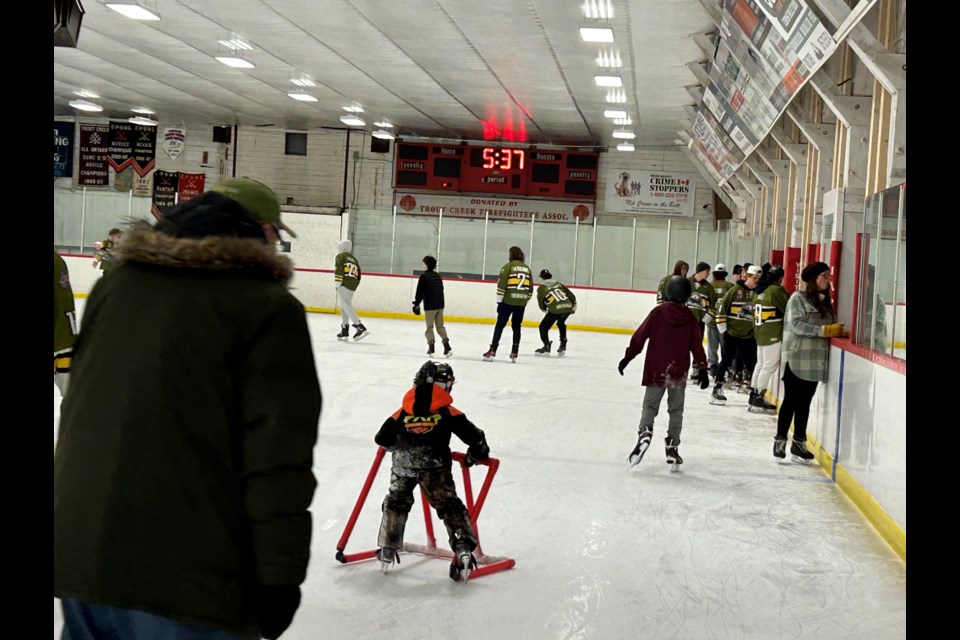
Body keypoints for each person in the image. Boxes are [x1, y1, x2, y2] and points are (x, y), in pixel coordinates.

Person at [54, 176, 322, 640]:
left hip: (81, 561)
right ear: (259, 231)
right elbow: (277, 461)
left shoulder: (114, 286)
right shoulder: (265, 309)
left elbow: (82, 417)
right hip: (188, 580)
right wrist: (280, 578)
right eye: (276, 236)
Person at [374, 361, 490, 582]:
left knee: (396, 502)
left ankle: (388, 547)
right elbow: (477, 439)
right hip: (435, 466)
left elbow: (382, 438)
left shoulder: (403, 410)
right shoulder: (447, 411)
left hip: (403, 466)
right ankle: (463, 546)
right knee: (449, 506)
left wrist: (403, 444)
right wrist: (475, 455)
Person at [618, 276, 710, 471]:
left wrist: (628, 357)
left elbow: (640, 336)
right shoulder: (691, 318)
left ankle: (645, 433)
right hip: (677, 371)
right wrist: (702, 368)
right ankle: (672, 447)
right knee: (676, 411)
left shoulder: (658, 312)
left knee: (650, 407)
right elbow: (697, 346)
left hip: (655, 369)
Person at [775, 261, 847, 461]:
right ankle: (780, 439)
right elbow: (797, 325)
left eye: (828, 276)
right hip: (798, 358)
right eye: (824, 276)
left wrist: (839, 331)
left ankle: (799, 441)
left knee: (805, 402)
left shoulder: (824, 302)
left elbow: (829, 325)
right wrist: (823, 331)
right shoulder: (797, 298)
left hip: (816, 361)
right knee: (791, 400)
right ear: (813, 278)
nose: (828, 279)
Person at [711, 264, 762, 404]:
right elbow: (722, 309)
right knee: (726, 360)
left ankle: (755, 393)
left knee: (751, 364)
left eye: (758, 278)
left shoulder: (758, 294)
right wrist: (724, 330)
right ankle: (717, 388)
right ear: (747, 276)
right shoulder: (734, 291)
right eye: (754, 277)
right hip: (732, 334)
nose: (756, 280)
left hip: (748, 336)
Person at [483, 246, 533, 362]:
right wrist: (524, 300)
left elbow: (501, 286)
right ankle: (515, 352)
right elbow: (530, 289)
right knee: (517, 327)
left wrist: (499, 302)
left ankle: (493, 350)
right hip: (521, 303)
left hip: (508, 301)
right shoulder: (527, 269)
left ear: (511, 255)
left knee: (500, 325)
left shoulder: (508, 267)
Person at [749, 265, 787, 413]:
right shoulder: (775, 290)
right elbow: (787, 307)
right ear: (780, 278)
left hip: (760, 331)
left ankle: (754, 391)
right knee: (769, 366)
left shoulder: (759, 290)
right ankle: (759, 395)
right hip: (772, 332)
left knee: (761, 363)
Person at [412, 255, 452, 357]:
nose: (423, 265)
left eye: (424, 263)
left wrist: (416, 304)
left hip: (430, 306)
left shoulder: (423, 276)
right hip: (440, 305)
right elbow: (441, 290)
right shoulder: (438, 276)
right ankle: (447, 347)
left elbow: (419, 292)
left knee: (429, 327)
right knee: (440, 326)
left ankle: (431, 348)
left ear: (427, 265)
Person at [534, 268, 577, 356]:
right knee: (561, 323)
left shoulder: (541, 288)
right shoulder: (558, 284)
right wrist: (574, 305)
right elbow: (570, 294)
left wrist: (544, 309)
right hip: (568, 307)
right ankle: (563, 343)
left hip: (556, 309)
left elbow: (540, 301)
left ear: (542, 277)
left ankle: (546, 346)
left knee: (543, 327)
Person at [686, 261, 716, 380]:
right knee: (682, 344)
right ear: (701, 271)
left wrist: (705, 319)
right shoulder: (686, 282)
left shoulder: (709, 287)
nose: (708, 274)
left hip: (699, 323)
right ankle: (680, 366)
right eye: (707, 271)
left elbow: (713, 306)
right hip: (684, 321)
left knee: (697, 345)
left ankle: (696, 367)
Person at [54, 250, 78, 397]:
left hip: (61, 341)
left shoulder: (56, 262)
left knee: (72, 395)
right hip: (64, 339)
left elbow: (63, 302)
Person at [335, 238, 369, 341]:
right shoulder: (354, 259)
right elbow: (359, 274)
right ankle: (345, 330)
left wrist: (338, 284)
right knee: (344, 306)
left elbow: (339, 269)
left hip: (344, 282)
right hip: (353, 284)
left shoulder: (340, 256)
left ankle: (359, 326)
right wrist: (355, 284)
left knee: (345, 304)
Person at [706, 264, 733, 377]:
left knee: (712, 346)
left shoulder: (709, 286)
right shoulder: (730, 286)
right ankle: (725, 366)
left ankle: (713, 365)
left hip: (711, 320)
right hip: (724, 321)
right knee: (724, 346)